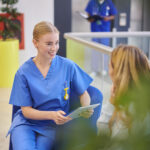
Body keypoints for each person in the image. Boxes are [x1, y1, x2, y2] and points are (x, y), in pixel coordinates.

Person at [7, 21, 95, 150]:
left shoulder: (68, 66)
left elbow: (84, 93)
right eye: (49, 44)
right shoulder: (23, 72)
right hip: (26, 124)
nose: (54, 48)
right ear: (35, 43)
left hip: (51, 127)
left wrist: (86, 108)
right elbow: (26, 111)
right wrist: (51, 114)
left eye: (56, 43)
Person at [108, 45, 150, 138]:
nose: (109, 72)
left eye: (109, 67)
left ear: (117, 71)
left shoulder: (128, 110)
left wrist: (112, 103)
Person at [85, 0, 117, 75]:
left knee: (105, 51)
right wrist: (90, 18)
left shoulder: (108, 2)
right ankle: (94, 69)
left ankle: (104, 69)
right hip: (94, 30)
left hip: (105, 30)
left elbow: (113, 15)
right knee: (94, 51)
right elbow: (88, 14)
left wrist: (107, 18)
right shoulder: (92, 2)